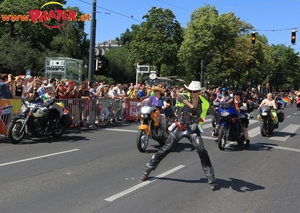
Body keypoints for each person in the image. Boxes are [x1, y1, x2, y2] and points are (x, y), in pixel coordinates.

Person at [141, 81, 221, 190]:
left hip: (193, 129)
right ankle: (148, 167)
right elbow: (178, 95)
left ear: (199, 92)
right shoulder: (184, 97)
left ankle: (210, 176)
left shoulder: (205, 102)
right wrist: (190, 105)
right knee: (167, 148)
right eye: (191, 91)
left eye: (195, 91)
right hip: (180, 127)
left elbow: (216, 115)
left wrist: (216, 128)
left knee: (201, 149)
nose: (192, 93)